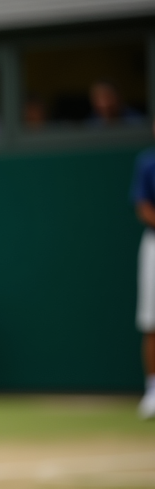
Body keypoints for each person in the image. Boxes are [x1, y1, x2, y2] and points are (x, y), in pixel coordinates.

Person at [130, 119, 155, 419]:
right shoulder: (147, 162)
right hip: (154, 245)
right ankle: (153, 391)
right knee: (152, 321)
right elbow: (143, 206)